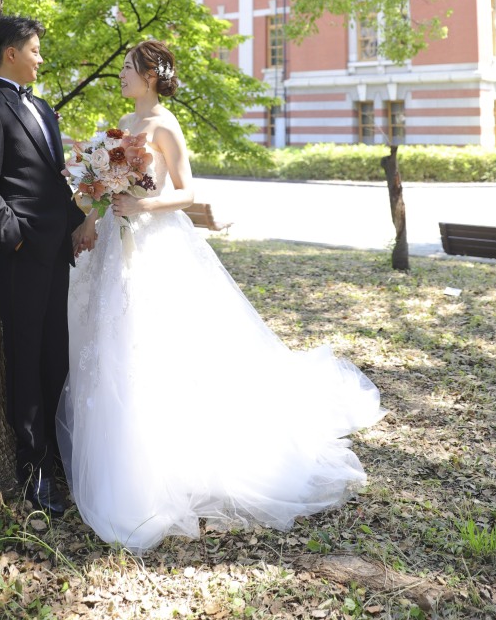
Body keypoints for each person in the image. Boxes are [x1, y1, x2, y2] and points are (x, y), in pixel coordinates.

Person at [57, 38, 384, 551]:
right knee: (114, 345)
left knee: (154, 347)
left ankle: (167, 462)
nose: (120, 74)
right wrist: (91, 213)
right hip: (113, 251)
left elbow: (187, 190)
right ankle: (117, 454)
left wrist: (142, 207)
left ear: (150, 75)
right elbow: (105, 189)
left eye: (127, 68)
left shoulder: (164, 124)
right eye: (120, 66)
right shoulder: (121, 122)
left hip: (153, 244)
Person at [0, 14, 89, 515]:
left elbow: (55, 179)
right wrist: (12, 239)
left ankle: (54, 455)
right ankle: (32, 469)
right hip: (20, 258)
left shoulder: (43, 108)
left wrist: (79, 220)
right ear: (10, 52)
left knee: (55, 356)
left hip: (55, 254)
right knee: (27, 361)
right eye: (34, 49)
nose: (40, 57)